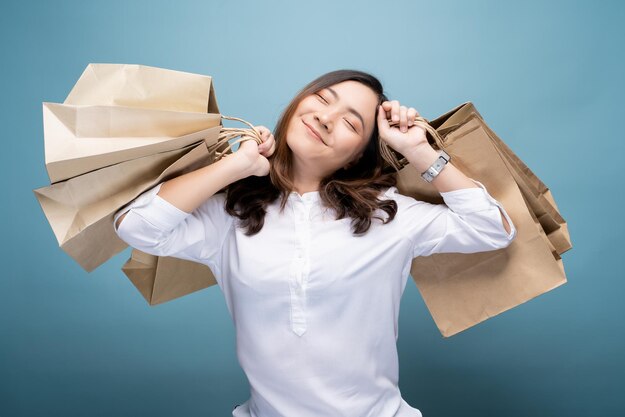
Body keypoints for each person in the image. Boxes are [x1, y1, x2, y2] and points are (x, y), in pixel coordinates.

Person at [113, 69, 517, 417]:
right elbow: (137, 226)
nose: (325, 118)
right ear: (296, 105)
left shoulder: (389, 216)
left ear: (356, 156)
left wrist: (419, 151)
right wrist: (235, 165)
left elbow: (492, 228)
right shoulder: (231, 215)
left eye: (351, 123)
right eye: (323, 99)